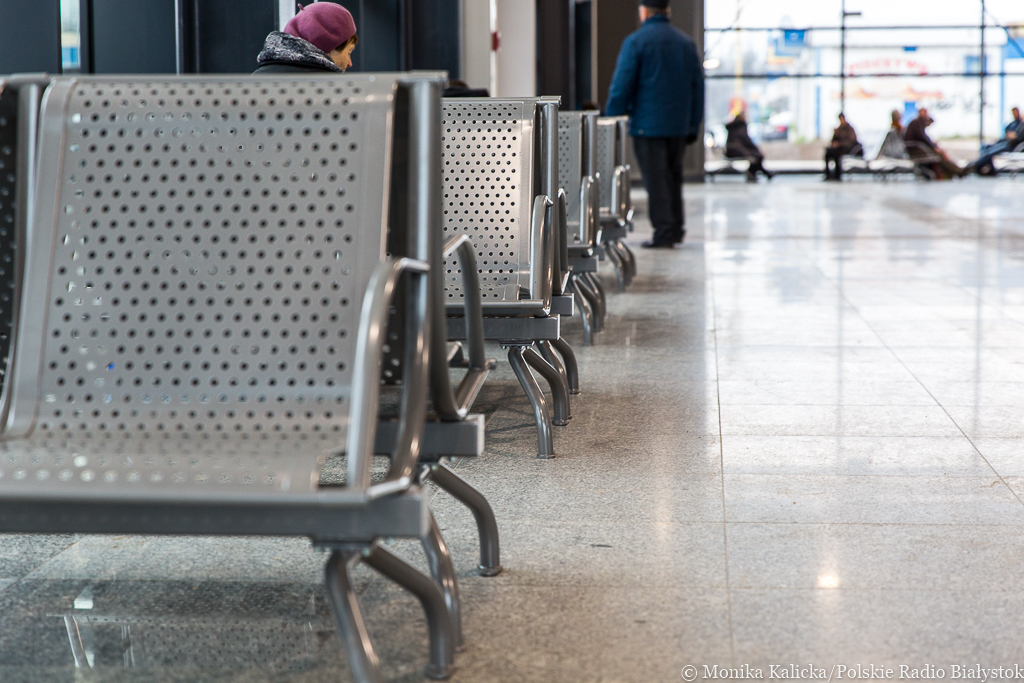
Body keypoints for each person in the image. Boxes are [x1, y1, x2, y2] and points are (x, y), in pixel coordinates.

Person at [605, 0, 704, 249]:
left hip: (647, 126)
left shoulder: (636, 42)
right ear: (667, 11)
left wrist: (611, 118)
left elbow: (622, 85)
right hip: (678, 126)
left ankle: (664, 232)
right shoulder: (685, 43)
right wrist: (693, 124)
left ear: (644, 12)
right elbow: (698, 87)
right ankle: (676, 229)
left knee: (656, 181)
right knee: (673, 177)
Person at [254, 3, 358, 74]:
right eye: (348, 52)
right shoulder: (330, 89)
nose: (350, 63)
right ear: (327, 46)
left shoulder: (256, 80)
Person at [904, 108, 966, 179]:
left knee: (941, 153)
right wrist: (934, 147)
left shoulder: (918, 123)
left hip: (919, 148)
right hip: (916, 149)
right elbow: (923, 138)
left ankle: (956, 170)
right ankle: (957, 171)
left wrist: (934, 145)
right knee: (939, 155)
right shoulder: (917, 123)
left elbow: (925, 137)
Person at [971, 107, 1024, 176]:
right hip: (1006, 142)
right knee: (986, 147)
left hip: (1012, 145)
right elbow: (1007, 132)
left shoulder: (1021, 125)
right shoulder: (1017, 124)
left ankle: (976, 166)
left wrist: (1015, 136)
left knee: (990, 152)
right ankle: (983, 167)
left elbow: (1019, 137)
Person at [724, 112, 772, 182]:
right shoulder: (740, 127)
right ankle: (761, 173)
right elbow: (746, 140)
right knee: (757, 156)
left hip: (735, 150)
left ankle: (761, 173)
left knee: (757, 157)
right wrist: (754, 148)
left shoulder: (733, 127)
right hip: (738, 150)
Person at [823, 113, 861, 181]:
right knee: (828, 154)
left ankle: (837, 175)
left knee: (837, 155)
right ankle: (828, 175)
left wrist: (839, 144)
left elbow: (851, 140)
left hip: (845, 149)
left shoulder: (849, 129)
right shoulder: (839, 129)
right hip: (838, 149)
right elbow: (834, 139)